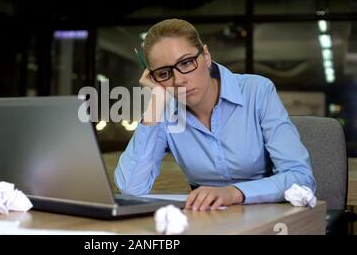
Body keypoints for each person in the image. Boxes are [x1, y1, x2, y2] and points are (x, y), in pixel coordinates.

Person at [114, 19, 316, 211]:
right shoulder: (164, 112)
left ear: (206, 56)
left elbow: (300, 178)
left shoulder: (257, 91)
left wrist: (233, 193)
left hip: (268, 215)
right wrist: (155, 103)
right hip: (206, 219)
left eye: (185, 63)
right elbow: (131, 189)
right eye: (164, 73)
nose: (179, 80)